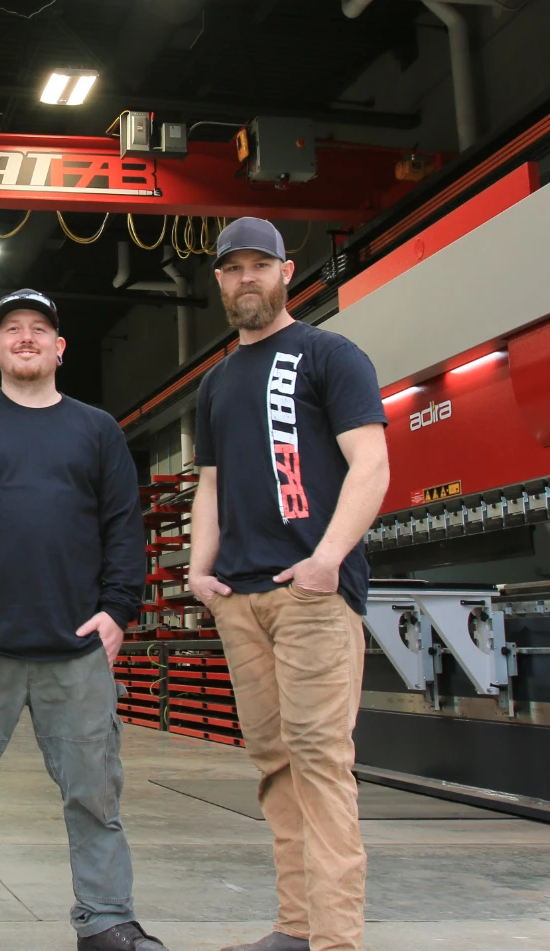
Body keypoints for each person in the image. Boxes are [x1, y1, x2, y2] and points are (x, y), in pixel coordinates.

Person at [0, 289, 165, 951]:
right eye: (11, 329)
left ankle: (107, 919)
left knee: (95, 791)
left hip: (77, 645)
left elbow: (122, 528)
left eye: (37, 329)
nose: (24, 338)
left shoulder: (97, 430)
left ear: (58, 346)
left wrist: (118, 612)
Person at [187, 218, 390, 951]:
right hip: (240, 599)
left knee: (320, 760)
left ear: (285, 271)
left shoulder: (329, 354)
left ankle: (336, 938)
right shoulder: (215, 382)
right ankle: (296, 925)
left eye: (259, 266)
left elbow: (371, 464)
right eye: (233, 267)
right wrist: (198, 570)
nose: (246, 278)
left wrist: (328, 558)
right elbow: (210, 484)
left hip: (311, 594)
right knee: (274, 762)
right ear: (218, 280)